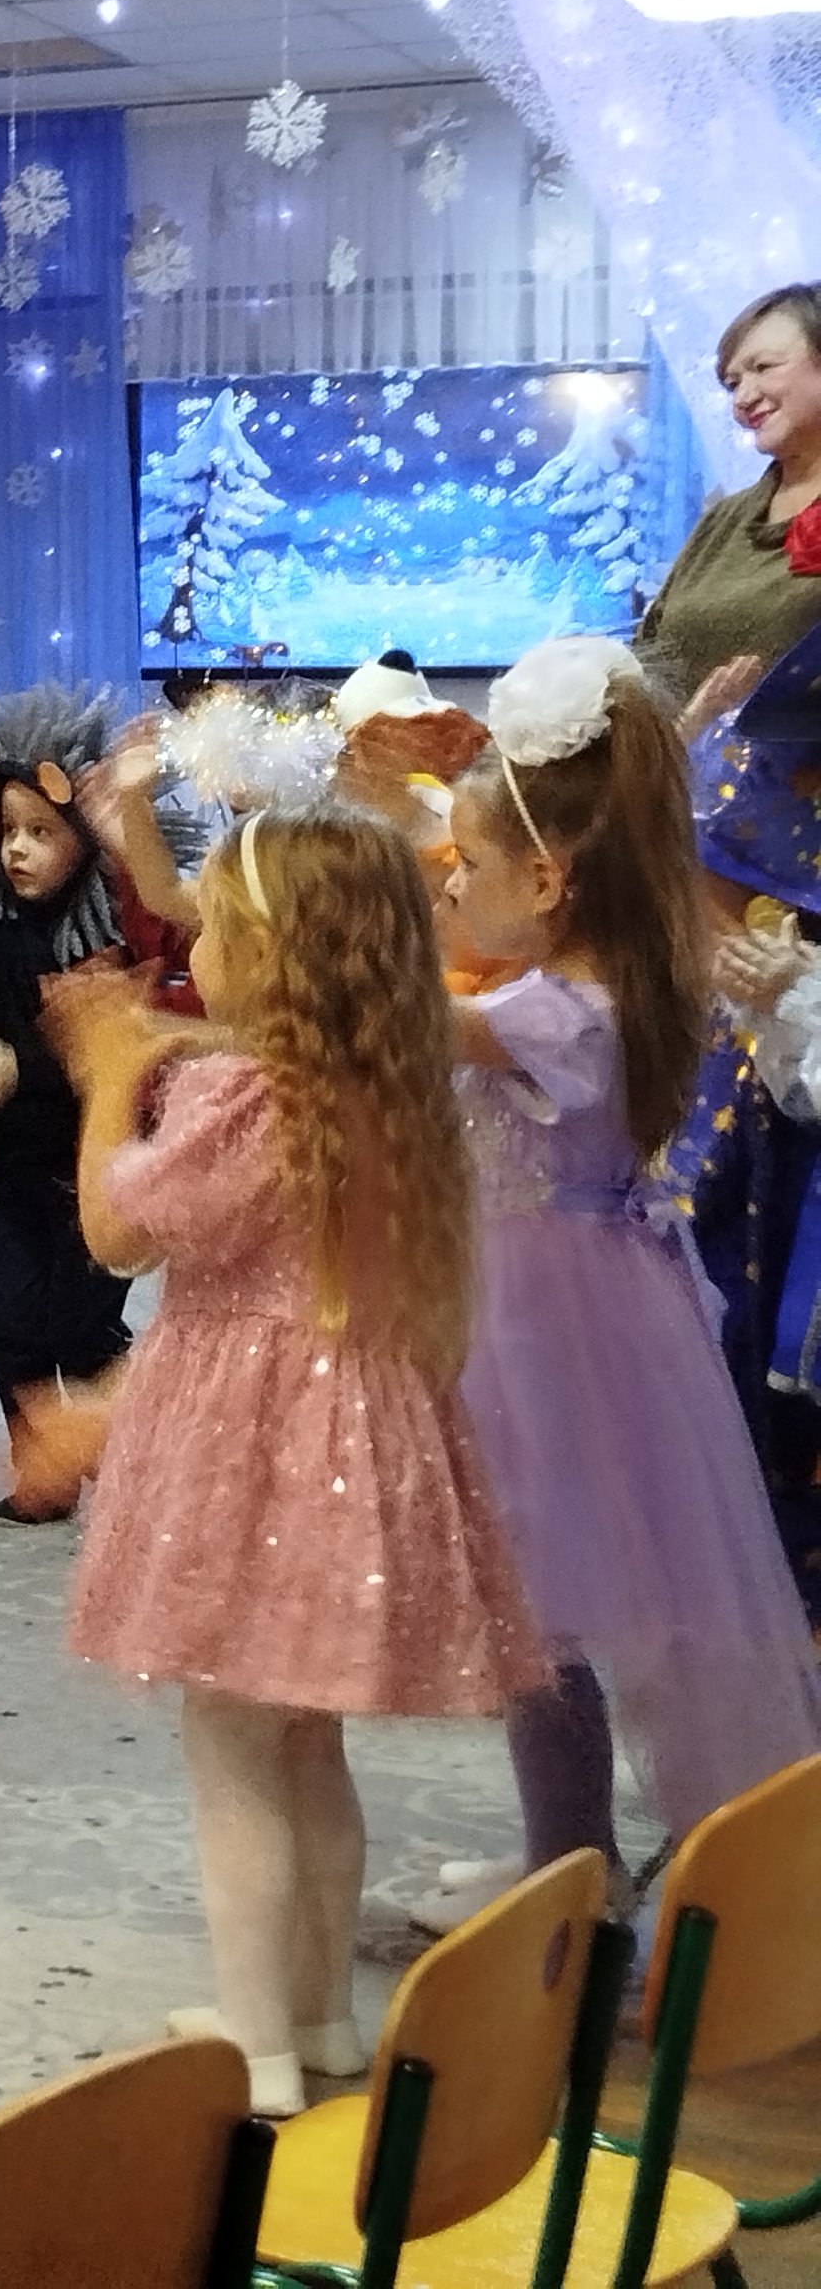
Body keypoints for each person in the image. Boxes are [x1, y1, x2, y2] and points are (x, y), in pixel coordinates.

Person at [51, 806, 544, 2119]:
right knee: (307, 1745)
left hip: (247, 1446)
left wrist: (107, 1077)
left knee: (230, 1752)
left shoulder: (241, 1099)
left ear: (273, 955)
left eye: (214, 926)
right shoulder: (391, 1084)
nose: (193, 946)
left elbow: (115, 1233)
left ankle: (255, 2043)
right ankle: (321, 2015)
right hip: (352, 1436)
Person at [425, 643, 821, 1924]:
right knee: (542, 1617)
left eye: (467, 864)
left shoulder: (559, 1011)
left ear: (547, 878)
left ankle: (583, 1879)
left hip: (548, 1329)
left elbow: (389, 1018)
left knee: (540, 1617)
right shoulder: (611, 976)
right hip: (574, 1306)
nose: (450, 882)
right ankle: (572, 1854)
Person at [0, 686, 177, 1523]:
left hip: (95, 1165)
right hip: (8, 1166)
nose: (20, 850)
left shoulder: (107, 929)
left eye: (42, 832)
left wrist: (21, 1062)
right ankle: (41, 1468)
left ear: (83, 838)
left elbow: (98, 1035)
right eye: (9, 833)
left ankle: (121, 1458)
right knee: (7, 1322)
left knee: (82, 1328)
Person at [635, 282, 821, 725]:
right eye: (733, 384)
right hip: (683, 763)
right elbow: (648, 650)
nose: (743, 399)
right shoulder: (725, 518)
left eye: (763, 367)